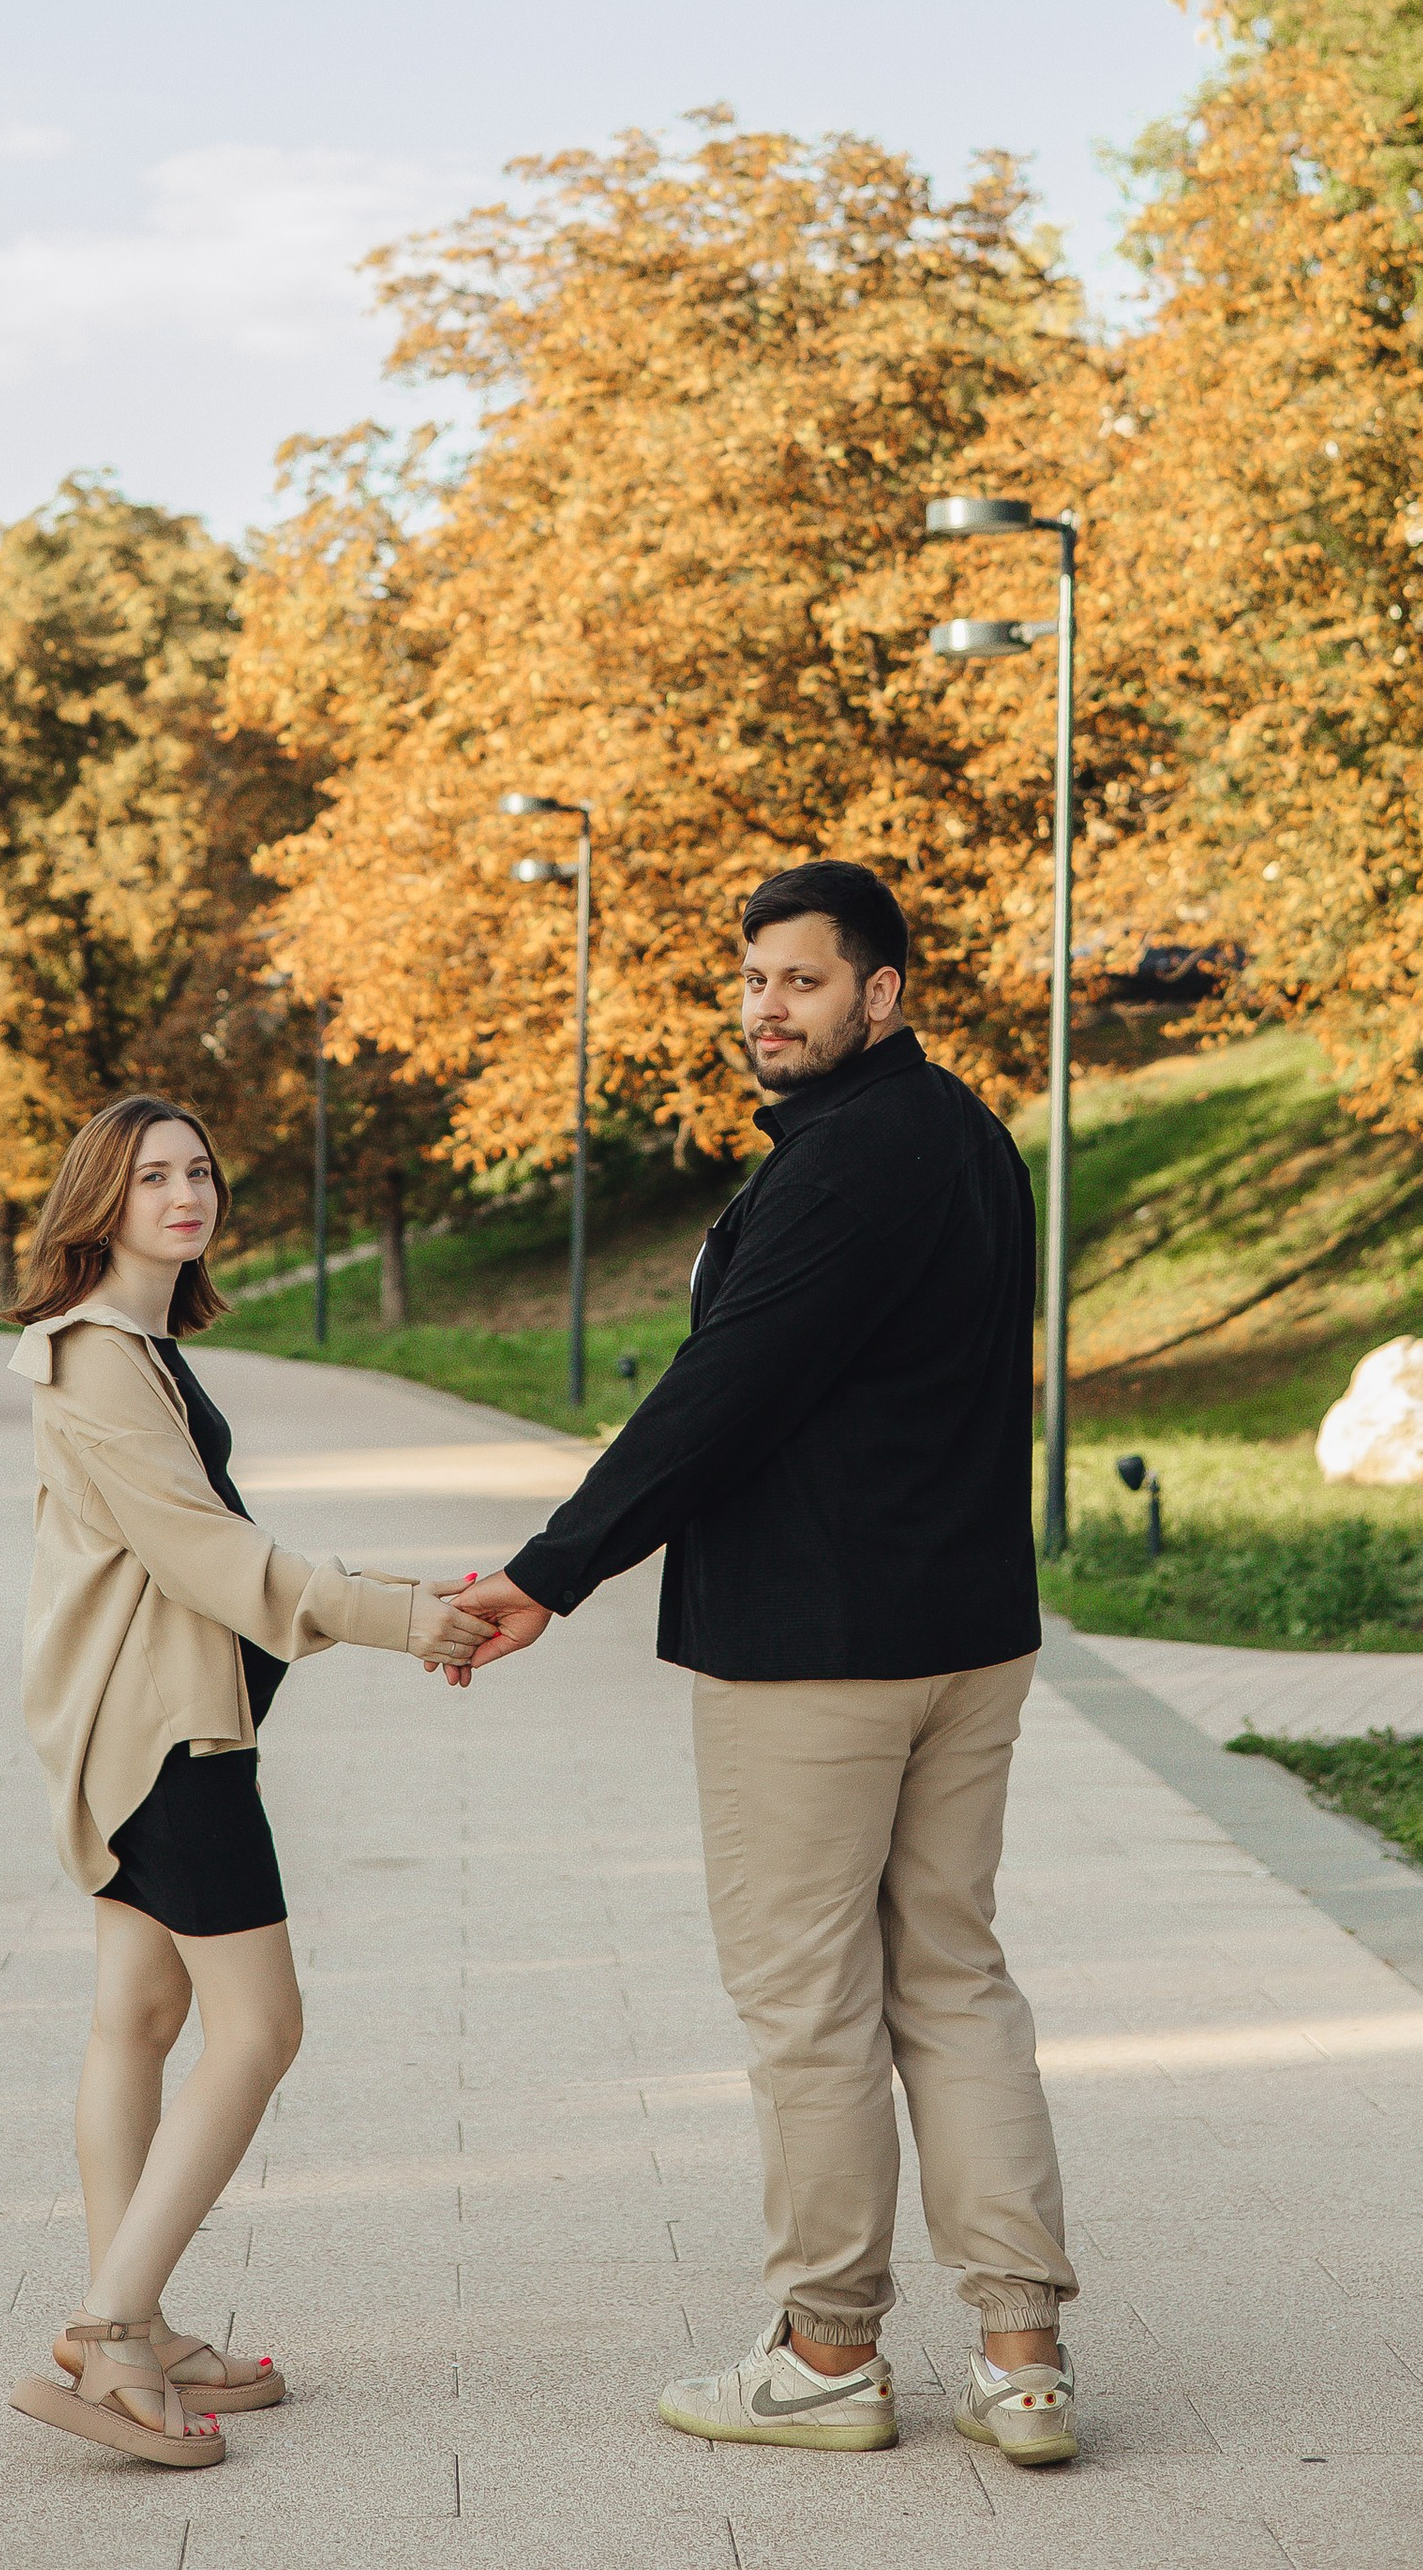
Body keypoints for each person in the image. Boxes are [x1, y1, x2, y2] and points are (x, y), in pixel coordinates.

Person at [452, 861, 1079, 2467]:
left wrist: (550, 1572)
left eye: (802, 980)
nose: (766, 1009)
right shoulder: (969, 1140)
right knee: (954, 1978)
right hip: (967, 1637)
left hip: (818, 1652)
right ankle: (1020, 2360)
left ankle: (825, 2355)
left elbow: (722, 1391)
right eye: (752, 983)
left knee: (810, 2004)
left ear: (884, 991)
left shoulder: (849, 1159)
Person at [3, 1093, 491, 2469]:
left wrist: (393, 1598)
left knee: (140, 2014)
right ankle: (110, 2332)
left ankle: (139, 2321)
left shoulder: (132, 1346)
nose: (186, 1194)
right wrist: (404, 1617)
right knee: (260, 2029)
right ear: (99, 1199)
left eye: (200, 1171)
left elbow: (212, 1546)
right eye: (152, 1175)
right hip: (167, 1741)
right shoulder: (100, 1360)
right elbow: (213, 1560)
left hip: (143, 1725)